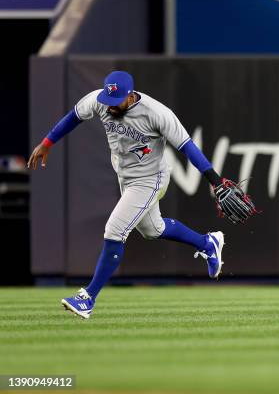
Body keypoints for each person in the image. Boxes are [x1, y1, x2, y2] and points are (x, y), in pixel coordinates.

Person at [28, 71, 228, 319]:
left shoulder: (157, 113)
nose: (111, 106)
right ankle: (207, 243)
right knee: (152, 230)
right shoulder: (100, 101)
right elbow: (74, 117)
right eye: (108, 100)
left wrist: (215, 181)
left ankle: (88, 298)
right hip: (126, 177)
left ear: (131, 96)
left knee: (114, 230)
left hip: (150, 178)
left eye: (117, 101)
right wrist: (47, 143)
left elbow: (188, 147)